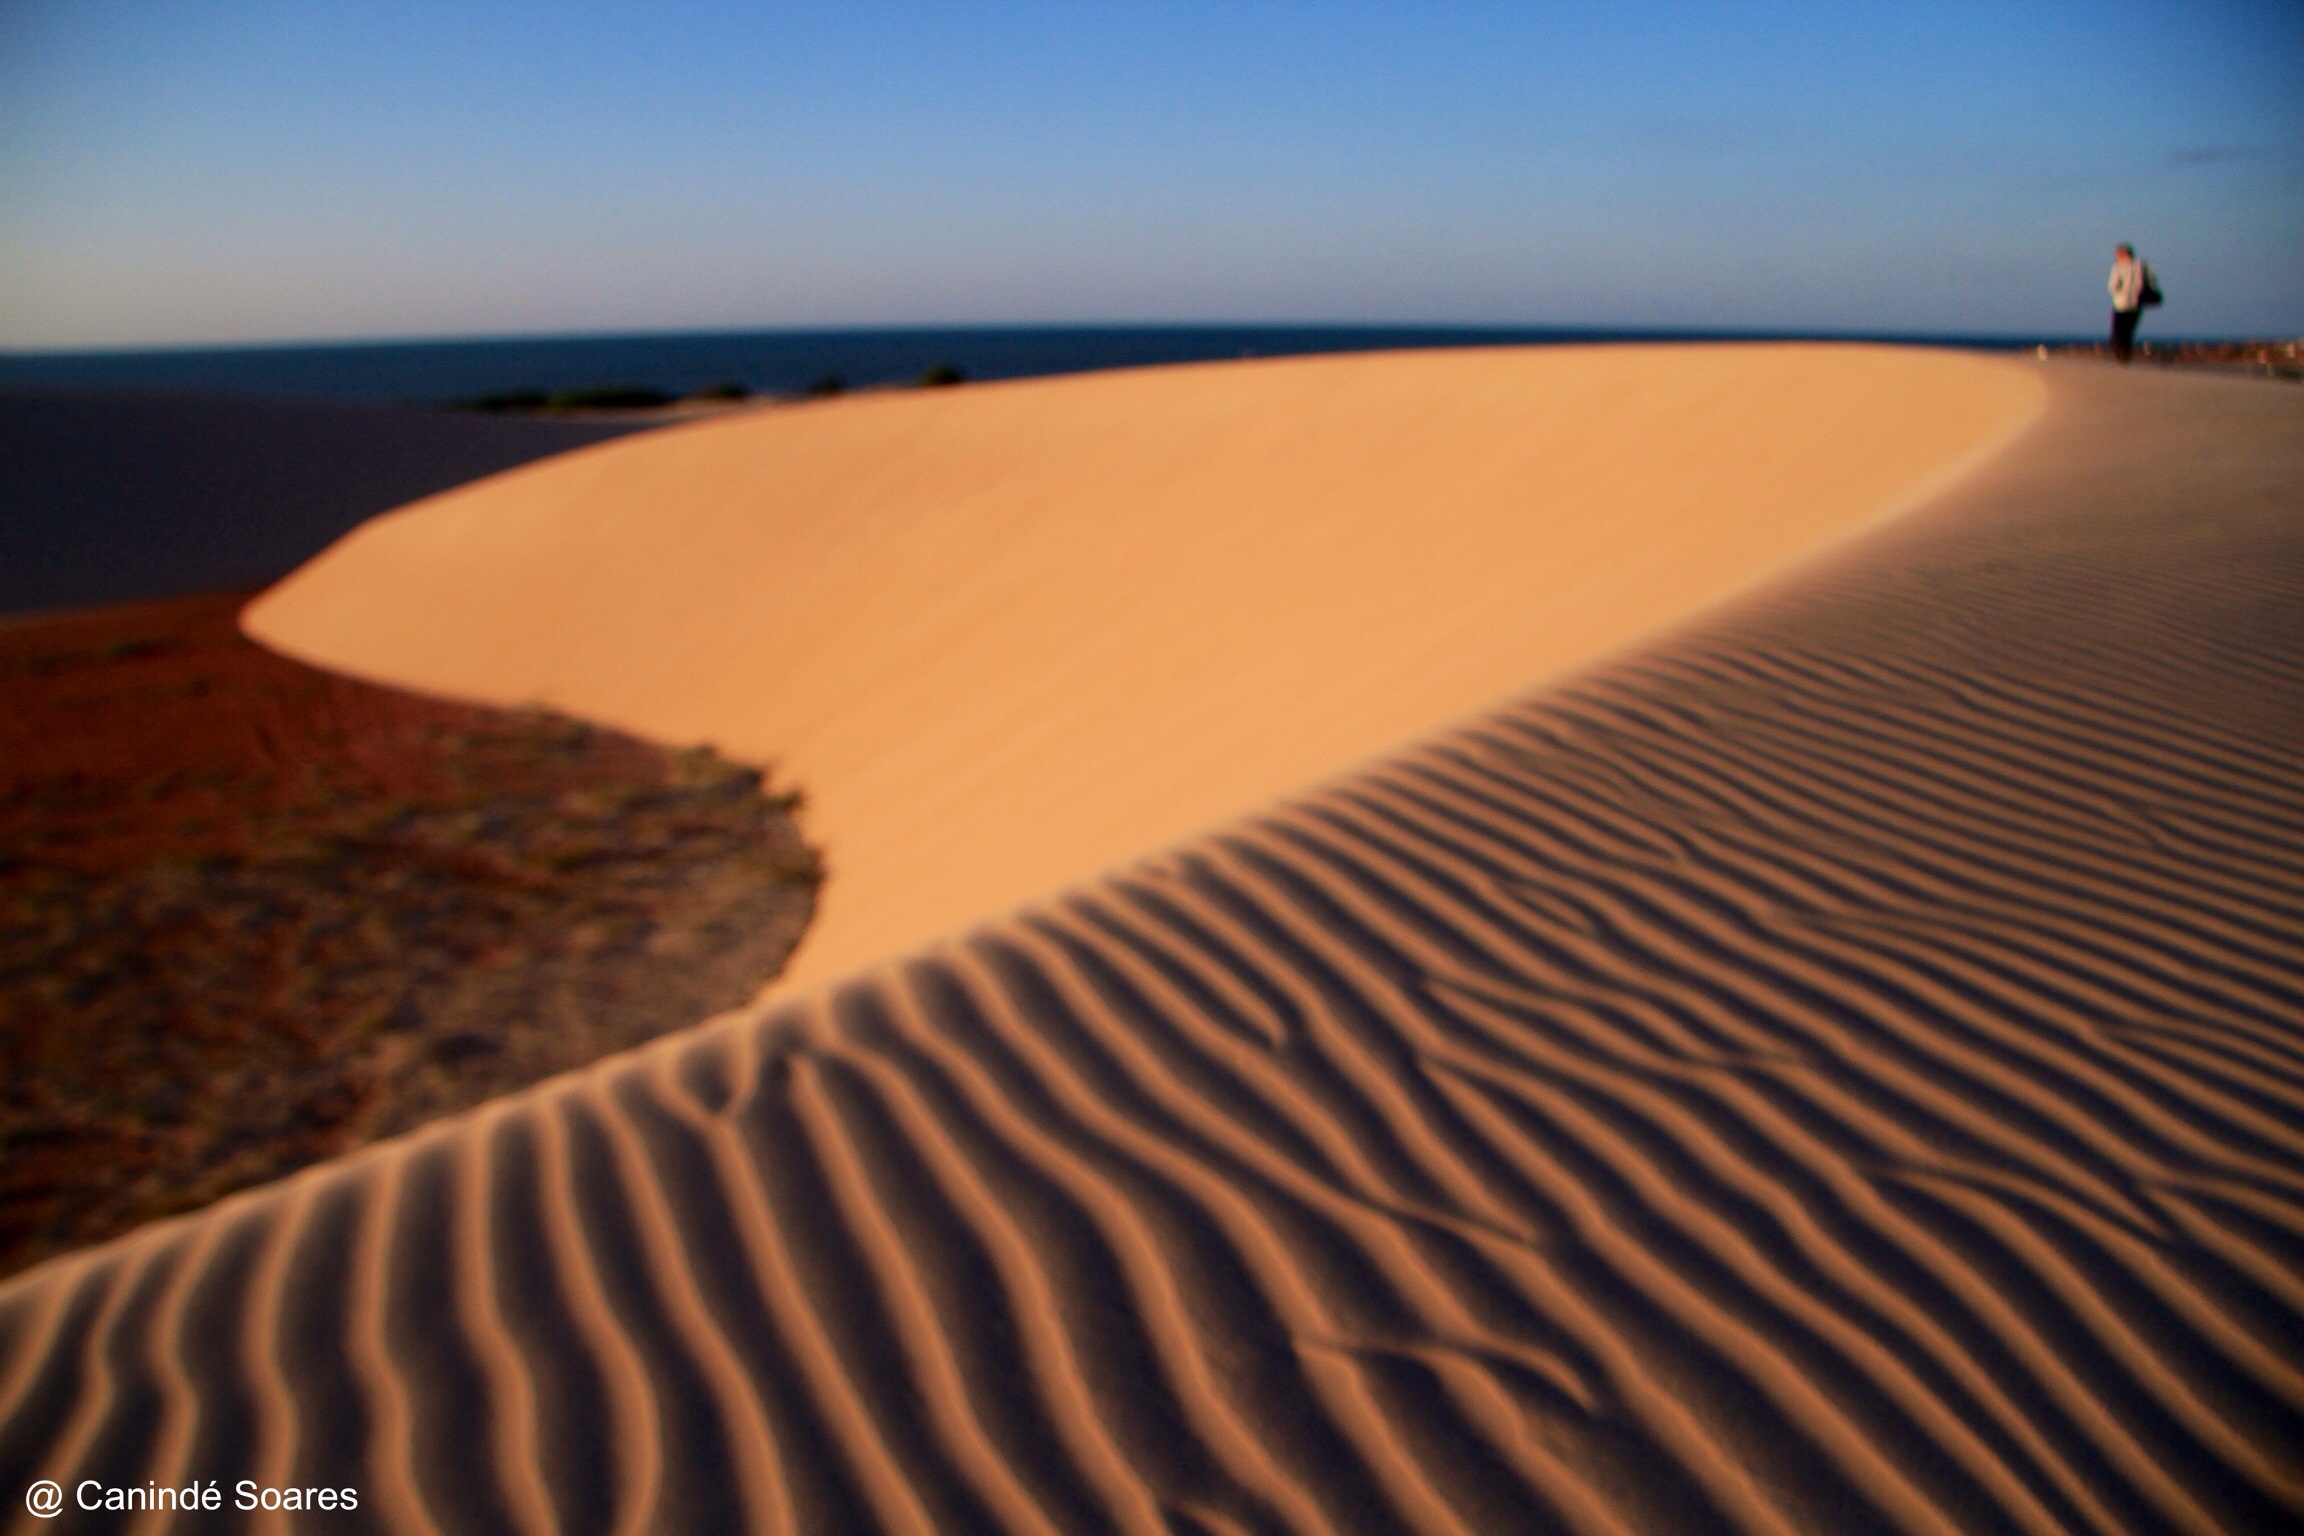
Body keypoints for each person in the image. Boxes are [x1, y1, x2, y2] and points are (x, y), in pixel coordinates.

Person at [2108, 244, 2152, 363]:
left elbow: (2112, 286)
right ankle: (2124, 354)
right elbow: (2147, 281)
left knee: (2119, 331)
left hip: (2122, 303)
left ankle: (2121, 354)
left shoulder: (2119, 267)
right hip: (2135, 303)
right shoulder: (2140, 265)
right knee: (2127, 331)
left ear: (2123, 253)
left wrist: (2121, 290)